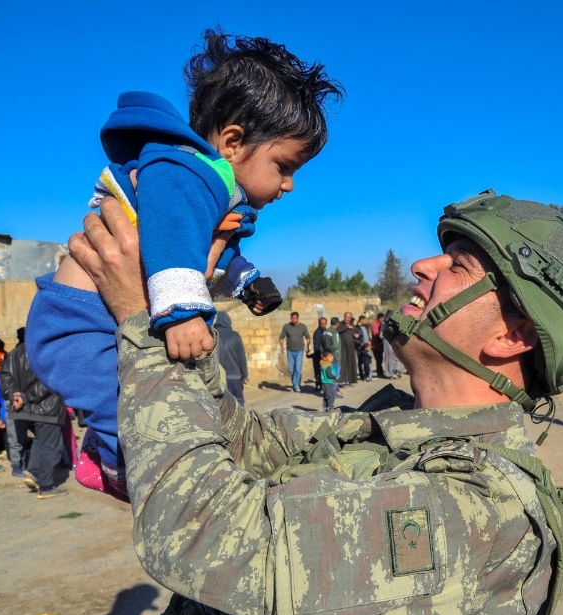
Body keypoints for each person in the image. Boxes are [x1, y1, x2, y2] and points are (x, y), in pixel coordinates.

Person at [70, 190, 563, 615]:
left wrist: (141, 319)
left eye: (459, 266)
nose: (423, 265)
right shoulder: (390, 428)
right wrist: (182, 309)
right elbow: (244, 442)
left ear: (512, 337)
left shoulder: (480, 508)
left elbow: (201, 534)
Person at [25, 29, 341, 501]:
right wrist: (184, 313)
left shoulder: (209, 188)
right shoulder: (185, 170)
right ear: (233, 141)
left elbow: (209, 250)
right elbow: (172, 236)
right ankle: (113, 463)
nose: (289, 185)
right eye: (284, 166)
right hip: (77, 322)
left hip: (95, 316)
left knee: (151, 397)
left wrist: (246, 280)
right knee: (123, 401)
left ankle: (109, 453)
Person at [0, 328, 68, 498]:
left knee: (41, 442)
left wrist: (13, 394)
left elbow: (5, 376)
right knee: (52, 447)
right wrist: (24, 396)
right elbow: (50, 382)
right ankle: (45, 486)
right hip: (47, 408)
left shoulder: (14, 353)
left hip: (23, 410)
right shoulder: (47, 351)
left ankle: (35, 473)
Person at [214, 311, 249, 405]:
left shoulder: (213, 335)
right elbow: (241, 358)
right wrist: (245, 376)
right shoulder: (235, 336)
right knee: (238, 402)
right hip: (234, 376)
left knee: (221, 404)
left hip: (218, 378)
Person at [278, 312, 311, 392]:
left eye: (295, 318)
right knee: (291, 369)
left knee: (298, 368)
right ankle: (296, 383)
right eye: (292, 318)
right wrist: (282, 347)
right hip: (290, 350)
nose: (294, 320)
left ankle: (296, 385)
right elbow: (281, 337)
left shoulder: (303, 327)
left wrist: (307, 347)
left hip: (300, 350)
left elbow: (308, 337)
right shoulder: (286, 327)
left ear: (298, 318)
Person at [336, 311, 359, 385]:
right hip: (342, 347)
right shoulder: (340, 324)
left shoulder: (352, 325)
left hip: (351, 346)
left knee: (350, 362)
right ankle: (342, 379)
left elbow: (354, 332)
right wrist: (346, 327)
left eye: (349, 317)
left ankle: (350, 379)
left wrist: (355, 335)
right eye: (346, 317)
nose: (347, 319)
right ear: (344, 317)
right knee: (343, 362)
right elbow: (337, 331)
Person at [310, 316, 328, 389]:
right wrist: (321, 354)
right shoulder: (317, 333)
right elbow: (317, 345)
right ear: (319, 323)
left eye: (324, 323)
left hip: (324, 354)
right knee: (318, 371)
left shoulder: (325, 331)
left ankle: (321, 385)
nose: (323, 325)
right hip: (319, 355)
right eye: (322, 323)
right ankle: (318, 385)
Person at [355, 315, 371, 379]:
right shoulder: (356, 328)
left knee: (366, 361)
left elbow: (367, 335)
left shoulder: (365, 327)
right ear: (361, 320)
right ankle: (362, 375)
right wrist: (360, 343)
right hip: (360, 347)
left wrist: (369, 341)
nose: (366, 321)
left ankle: (367, 375)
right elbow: (354, 339)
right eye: (365, 320)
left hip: (366, 347)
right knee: (360, 361)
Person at [370, 312, 386, 377]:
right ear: (378, 318)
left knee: (380, 359)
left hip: (380, 345)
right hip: (375, 345)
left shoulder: (381, 324)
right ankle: (379, 373)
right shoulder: (374, 324)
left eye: (383, 318)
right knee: (378, 360)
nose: (382, 319)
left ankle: (380, 371)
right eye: (381, 318)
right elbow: (376, 334)